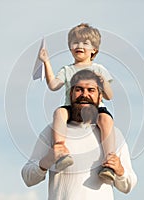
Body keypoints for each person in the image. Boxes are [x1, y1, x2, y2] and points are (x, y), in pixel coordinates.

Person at [22, 70, 137, 200]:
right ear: (70, 94)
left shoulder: (112, 134)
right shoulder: (53, 131)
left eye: (91, 90)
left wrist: (120, 170)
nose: (84, 95)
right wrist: (47, 160)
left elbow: (128, 185)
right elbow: (28, 178)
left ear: (100, 97)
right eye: (79, 90)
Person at [39, 23, 115, 181]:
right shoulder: (67, 70)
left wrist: (103, 82)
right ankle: (60, 151)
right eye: (75, 42)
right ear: (70, 47)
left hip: (95, 109)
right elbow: (53, 85)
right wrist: (46, 61)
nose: (79, 46)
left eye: (85, 43)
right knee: (59, 112)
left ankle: (109, 161)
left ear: (94, 49)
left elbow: (109, 96)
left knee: (106, 119)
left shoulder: (99, 69)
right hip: (73, 109)